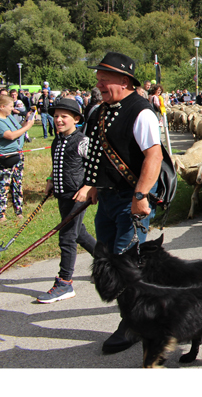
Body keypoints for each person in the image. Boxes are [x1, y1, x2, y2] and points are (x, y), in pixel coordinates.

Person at [73, 52, 162, 354]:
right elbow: (98, 155)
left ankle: (133, 323)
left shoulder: (141, 111)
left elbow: (154, 155)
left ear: (124, 81)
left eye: (104, 78)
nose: (98, 83)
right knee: (107, 259)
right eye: (98, 78)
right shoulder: (99, 111)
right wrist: (94, 184)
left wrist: (140, 196)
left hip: (130, 200)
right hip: (108, 199)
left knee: (126, 265)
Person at [36, 99, 97, 303]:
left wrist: (87, 188)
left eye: (64, 116)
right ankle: (109, 261)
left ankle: (65, 283)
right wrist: (51, 180)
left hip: (78, 195)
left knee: (67, 237)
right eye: (55, 116)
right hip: (63, 195)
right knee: (79, 233)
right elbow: (57, 164)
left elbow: (93, 168)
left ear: (76, 119)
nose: (58, 120)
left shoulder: (82, 141)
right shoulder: (57, 140)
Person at [0, 95, 35, 223]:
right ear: (2, 107)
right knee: (4, 186)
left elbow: (18, 129)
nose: (12, 109)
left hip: (18, 155)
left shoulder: (9, 117)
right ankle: (1, 214)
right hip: (5, 159)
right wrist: (28, 127)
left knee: (17, 183)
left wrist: (27, 120)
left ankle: (18, 210)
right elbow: (10, 135)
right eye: (10, 106)